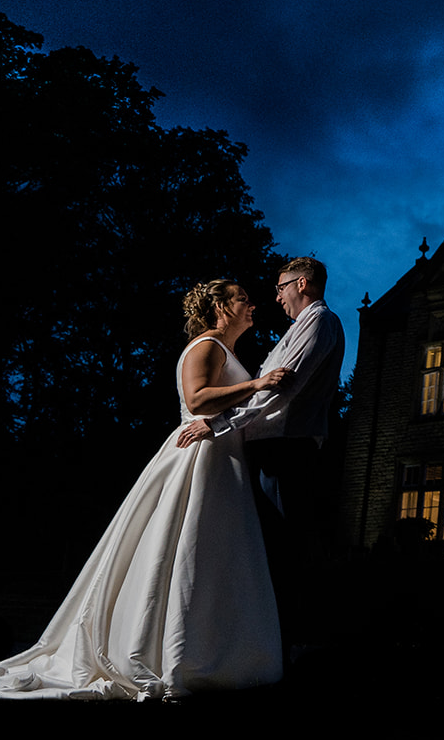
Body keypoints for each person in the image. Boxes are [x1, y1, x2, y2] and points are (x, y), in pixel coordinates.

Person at [0, 279, 289, 700]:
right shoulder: (207, 345)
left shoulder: (228, 351)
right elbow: (198, 399)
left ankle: (208, 650)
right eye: (242, 299)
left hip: (222, 459)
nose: (252, 305)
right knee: (178, 549)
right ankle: (163, 652)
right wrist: (255, 385)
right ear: (220, 307)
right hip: (198, 456)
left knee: (211, 554)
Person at [176, 256, 344, 653]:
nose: (276, 296)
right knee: (268, 549)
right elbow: (262, 386)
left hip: (285, 451)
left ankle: (286, 643)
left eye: (281, 286)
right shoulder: (297, 328)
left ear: (301, 284)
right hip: (267, 451)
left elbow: (279, 391)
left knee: (284, 550)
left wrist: (218, 424)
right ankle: (266, 640)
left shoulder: (318, 321)